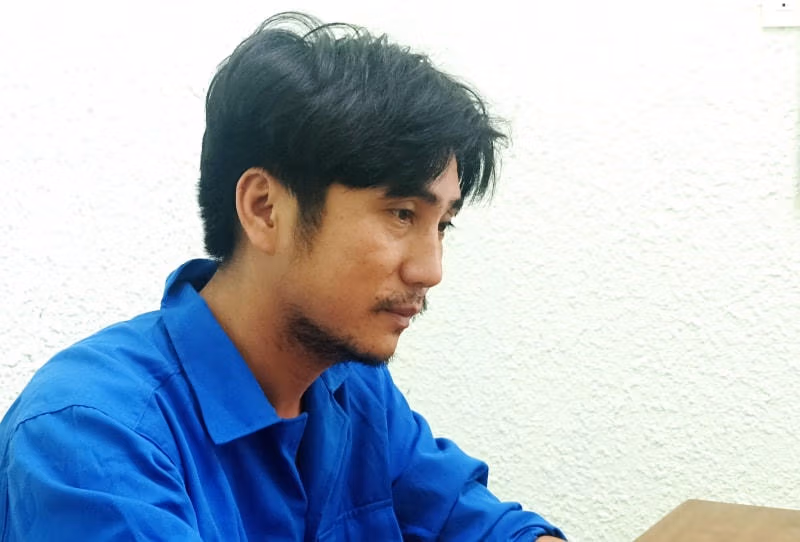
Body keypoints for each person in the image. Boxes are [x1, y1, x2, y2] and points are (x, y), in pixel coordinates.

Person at [0, 12, 566, 541]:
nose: (430, 270)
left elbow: (484, 525)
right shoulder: (90, 433)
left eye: (442, 225)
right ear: (265, 208)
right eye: (401, 214)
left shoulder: (352, 388)